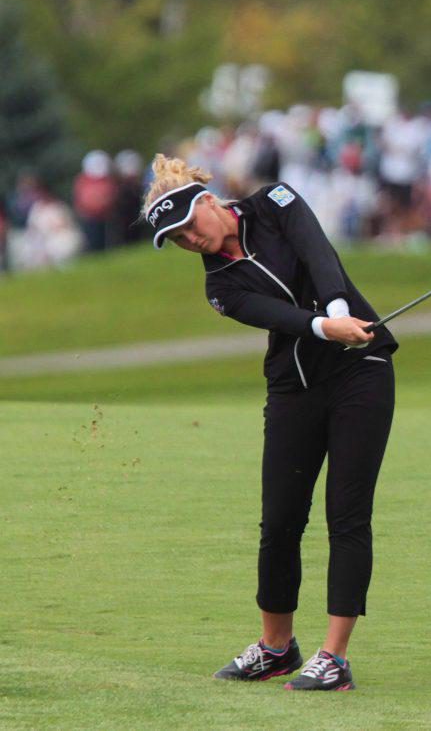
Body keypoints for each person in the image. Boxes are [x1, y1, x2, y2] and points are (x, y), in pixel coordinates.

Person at [140, 154, 398, 691]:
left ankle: (334, 657)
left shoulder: (274, 203)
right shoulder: (220, 288)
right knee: (279, 520)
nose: (190, 243)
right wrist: (328, 325)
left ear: (208, 202)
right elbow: (281, 319)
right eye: (177, 241)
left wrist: (336, 306)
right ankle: (276, 648)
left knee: (346, 515)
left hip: (361, 374)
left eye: (188, 228)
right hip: (294, 386)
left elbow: (318, 253)